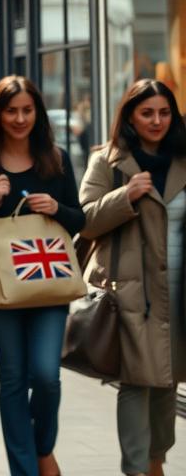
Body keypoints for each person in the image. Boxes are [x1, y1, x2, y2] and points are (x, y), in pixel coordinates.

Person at [0, 76, 84, 476]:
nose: (20, 118)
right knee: (12, 379)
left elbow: (80, 220)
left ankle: (43, 447)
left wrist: (57, 208)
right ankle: (24, 469)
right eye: (11, 110)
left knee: (45, 375)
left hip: (50, 286)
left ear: (38, 113)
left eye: (27, 110)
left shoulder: (55, 160)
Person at [79, 79, 186, 476]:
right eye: (147, 113)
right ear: (129, 116)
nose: (157, 121)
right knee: (136, 381)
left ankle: (156, 459)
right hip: (131, 288)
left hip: (179, 286)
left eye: (164, 112)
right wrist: (125, 197)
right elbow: (85, 219)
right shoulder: (107, 161)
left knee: (169, 379)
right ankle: (137, 468)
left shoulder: (183, 158)